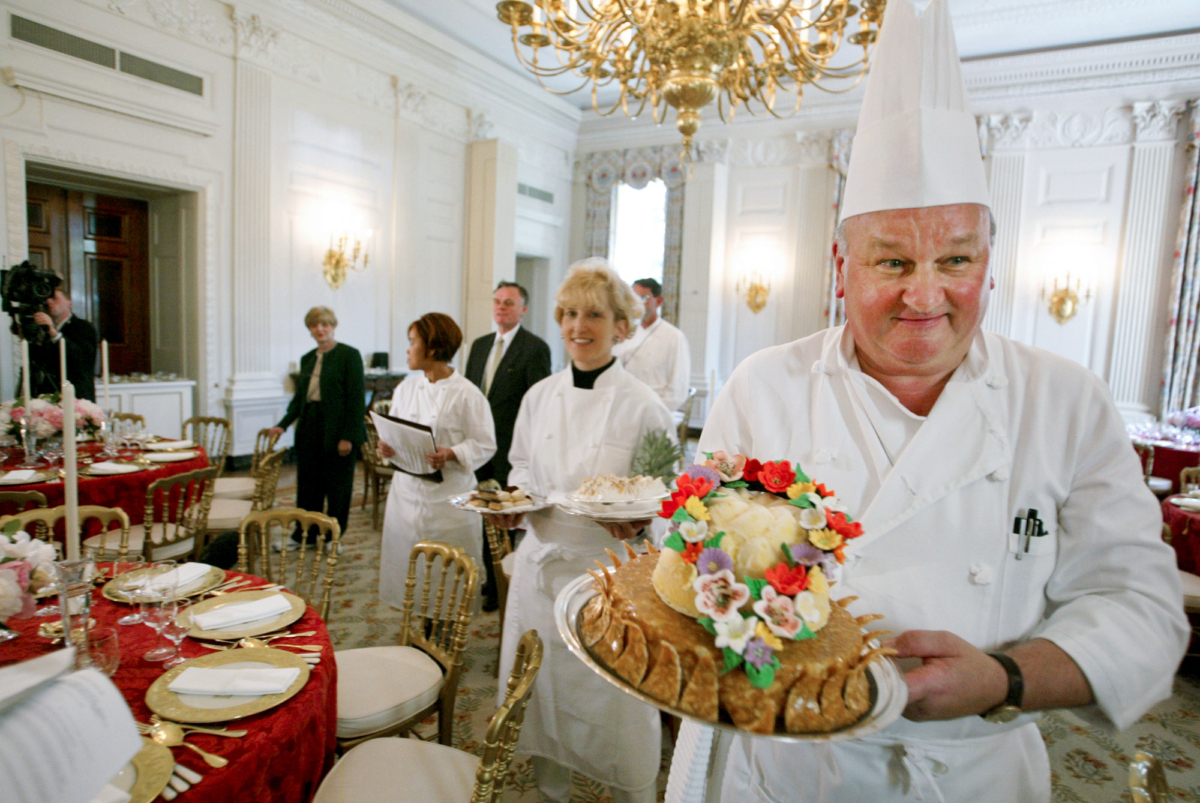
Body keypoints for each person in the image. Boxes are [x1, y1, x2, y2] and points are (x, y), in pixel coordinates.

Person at [664, 1, 1189, 801]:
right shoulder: (762, 388)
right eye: (891, 261)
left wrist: (1006, 677)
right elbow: (704, 572)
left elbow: (1142, 609)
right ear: (843, 268)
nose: (925, 295)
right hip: (796, 771)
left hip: (977, 773)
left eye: (954, 258)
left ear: (990, 260)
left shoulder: (1066, 401)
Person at [489, 259, 675, 803]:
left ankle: (634, 788)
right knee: (542, 689)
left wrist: (644, 516)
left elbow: (667, 495)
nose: (578, 326)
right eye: (569, 313)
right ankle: (551, 788)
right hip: (542, 565)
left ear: (622, 325)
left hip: (610, 576)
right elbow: (521, 466)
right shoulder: (540, 396)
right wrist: (515, 504)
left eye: (593, 314)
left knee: (613, 700)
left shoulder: (645, 406)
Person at [377, 312, 496, 609]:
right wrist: (388, 447)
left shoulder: (467, 394)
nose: (407, 349)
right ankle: (417, 637)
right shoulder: (406, 388)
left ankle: (441, 640)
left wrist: (452, 452)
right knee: (410, 575)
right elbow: (397, 431)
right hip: (405, 496)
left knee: (445, 582)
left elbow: (485, 443)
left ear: (432, 348)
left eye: (412, 342)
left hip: (448, 501)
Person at [464, 280, 552, 611]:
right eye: (498, 301)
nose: (501, 307)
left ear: (523, 309)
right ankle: (490, 577)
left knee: (505, 516)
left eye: (509, 303)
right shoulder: (480, 345)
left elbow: (538, 406)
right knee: (482, 512)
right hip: (478, 446)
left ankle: (505, 583)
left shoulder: (534, 348)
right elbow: (472, 395)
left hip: (510, 448)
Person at [270, 307, 365, 543]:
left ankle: (334, 537)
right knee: (308, 487)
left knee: (338, 488)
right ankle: (305, 535)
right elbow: (299, 399)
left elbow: (356, 400)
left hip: (338, 429)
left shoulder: (349, 355)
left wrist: (348, 437)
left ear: (333, 326)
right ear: (310, 329)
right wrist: (282, 425)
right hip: (310, 427)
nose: (319, 329)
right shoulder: (307, 358)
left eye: (324, 324)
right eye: (314, 325)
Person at [612, 277, 690, 420]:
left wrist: (655, 412)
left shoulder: (674, 337)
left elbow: (678, 387)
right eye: (634, 297)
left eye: (643, 298)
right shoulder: (623, 332)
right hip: (622, 409)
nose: (638, 303)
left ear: (658, 301)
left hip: (656, 412)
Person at [29, 288, 98, 401]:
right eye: (47, 299)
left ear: (69, 303)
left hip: (76, 397)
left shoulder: (83, 327)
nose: (50, 302)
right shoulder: (44, 330)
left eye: (55, 298)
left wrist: (54, 333)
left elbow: (80, 359)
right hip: (50, 396)